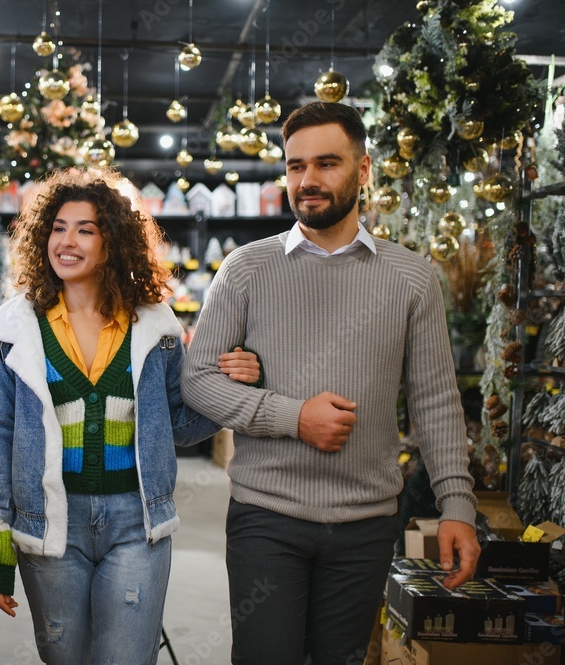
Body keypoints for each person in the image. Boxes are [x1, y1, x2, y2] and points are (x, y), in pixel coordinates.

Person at [180, 102, 480, 665]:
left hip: (366, 524)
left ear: (364, 170)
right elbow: (197, 382)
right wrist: (294, 416)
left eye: (326, 164)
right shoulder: (246, 269)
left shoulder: (411, 277)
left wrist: (457, 506)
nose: (307, 181)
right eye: (295, 166)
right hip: (266, 517)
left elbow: (436, 400)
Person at [0, 167, 260, 664]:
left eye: (86, 229)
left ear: (113, 243)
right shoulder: (13, 329)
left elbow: (179, 423)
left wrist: (228, 388)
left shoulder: (153, 325)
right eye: (58, 227)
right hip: (50, 525)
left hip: (135, 521)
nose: (68, 241)